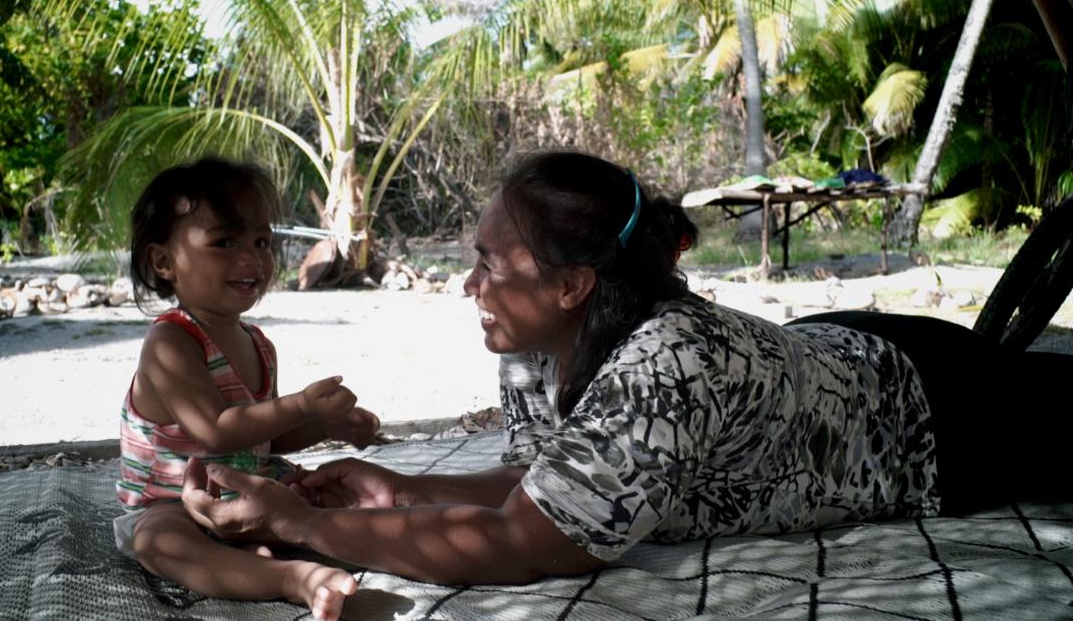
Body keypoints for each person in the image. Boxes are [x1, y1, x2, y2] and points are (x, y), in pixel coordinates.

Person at [181, 150, 1072, 585]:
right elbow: (550, 481)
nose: (469, 284)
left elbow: (526, 543)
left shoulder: (666, 367)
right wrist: (396, 487)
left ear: (573, 284)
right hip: (821, 353)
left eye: (490, 262)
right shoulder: (536, 345)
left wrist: (299, 526)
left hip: (937, 411)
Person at [113, 157, 380, 620]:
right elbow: (217, 430)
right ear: (163, 261)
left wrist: (324, 424)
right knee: (159, 542)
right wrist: (299, 403)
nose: (252, 258)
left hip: (246, 493)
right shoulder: (170, 342)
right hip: (172, 502)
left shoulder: (259, 344)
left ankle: (262, 551)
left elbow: (264, 437)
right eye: (224, 242)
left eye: (262, 241)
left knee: (324, 494)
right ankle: (289, 578)